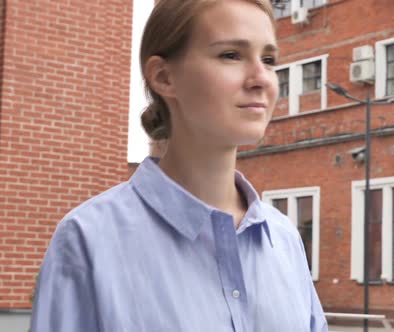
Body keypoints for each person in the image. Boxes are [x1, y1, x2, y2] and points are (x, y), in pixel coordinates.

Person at [30, 0, 328, 331]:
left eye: (269, 59)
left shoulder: (285, 239)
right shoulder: (88, 240)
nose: (262, 78)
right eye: (231, 55)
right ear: (164, 77)